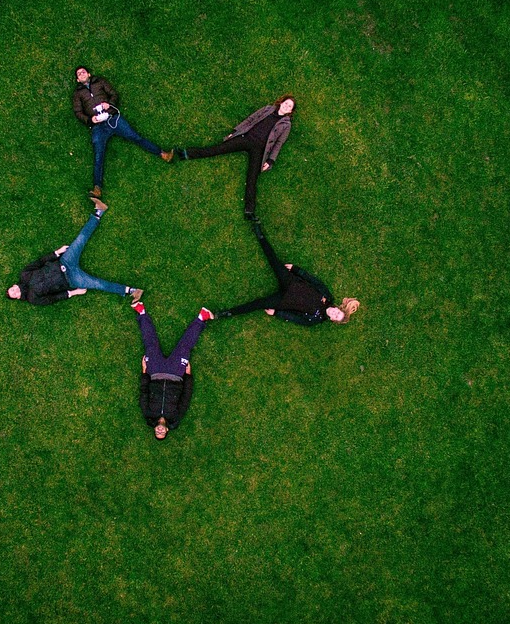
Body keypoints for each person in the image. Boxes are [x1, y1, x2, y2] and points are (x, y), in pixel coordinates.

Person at [214, 220, 359, 325]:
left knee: (258, 304)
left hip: (283, 301)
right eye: (337, 312)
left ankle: (227, 313)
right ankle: (259, 233)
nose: (334, 313)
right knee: (274, 260)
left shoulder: (315, 320)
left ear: (333, 320)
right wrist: (296, 269)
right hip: (291, 282)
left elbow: (295, 318)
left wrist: (277, 313)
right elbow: (313, 281)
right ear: (337, 308)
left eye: (335, 317)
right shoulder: (327, 296)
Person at [172, 95, 295, 220]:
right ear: (281, 103)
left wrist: (270, 160)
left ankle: (249, 211)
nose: (286, 106)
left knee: (252, 178)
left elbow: (279, 143)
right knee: (218, 149)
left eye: (289, 106)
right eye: (286, 103)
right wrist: (235, 131)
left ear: (290, 111)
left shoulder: (286, 125)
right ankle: (186, 154)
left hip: (259, 150)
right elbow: (250, 119)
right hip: (246, 138)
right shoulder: (267, 109)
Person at [7, 196, 143, 305]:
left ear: (14, 285)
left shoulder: (25, 274)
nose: (14, 290)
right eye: (13, 293)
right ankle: (132, 291)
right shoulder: (33, 298)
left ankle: (99, 211)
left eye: (12, 288)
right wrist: (74, 292)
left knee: (80, 240)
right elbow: (53, 298)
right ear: (18, 297)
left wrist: (57, 252)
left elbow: (40, 261)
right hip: (71, 280)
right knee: (97, 284)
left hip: (65, 261)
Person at [71, 66, 173, 198]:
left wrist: (109, 104)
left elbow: (114, 94)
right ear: (78, 80)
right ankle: (97, 188)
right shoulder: (77, 94)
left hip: (113, 118)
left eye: (83, 72)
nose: (81, 74)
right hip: (98, 127)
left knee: (135, 136)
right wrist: (90, 120)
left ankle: (163, 154)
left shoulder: (100, 81)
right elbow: (78, 112)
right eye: (79, 74)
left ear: (89, 74)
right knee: (98, 155)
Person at [134, 302, 214, 439]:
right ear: (167, 431)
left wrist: (144, 371)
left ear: (154, 429)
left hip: (155, 372)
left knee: (150, 345)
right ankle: (202, 318)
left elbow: (144, 391)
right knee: (185, 347)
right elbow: (186, 397)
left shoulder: (148, 413)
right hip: (176, 374)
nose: (159, 430)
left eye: (157, 432)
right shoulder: (176, 416)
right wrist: (188, 375)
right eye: (162, 433)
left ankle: (141, 312)